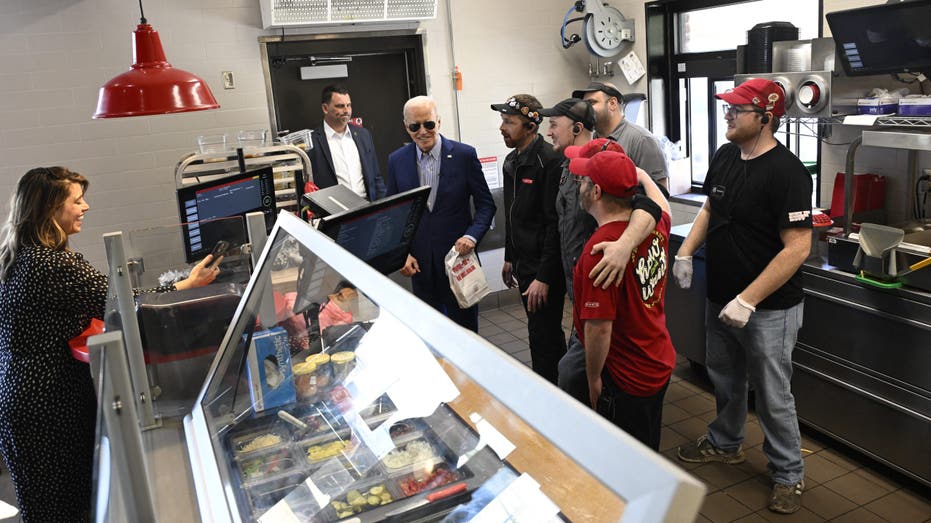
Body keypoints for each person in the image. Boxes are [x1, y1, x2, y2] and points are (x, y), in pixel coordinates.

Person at [0, 167, 220, 521]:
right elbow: (122, 299)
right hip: (49, 402)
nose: (85, 207)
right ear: (50, 209)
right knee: (68, 506)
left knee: (41, 506)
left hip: (17, 397)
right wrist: (187, 285)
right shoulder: (53, 263)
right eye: (77, 200)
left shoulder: (18, 256)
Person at [672, 78, 811, 515]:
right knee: (725, 375)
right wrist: (685, 252)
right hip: (719, 296)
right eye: (728, 108)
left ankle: (788, 473)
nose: (727, 115)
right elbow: (710, 209)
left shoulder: (788, 172)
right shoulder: (726, 155)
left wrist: (748, 299)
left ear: (766, 118)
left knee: (772, 392)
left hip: (769, 307)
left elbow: (798, 247)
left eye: (737, 110)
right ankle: (725, 442)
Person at [540, 98, 660, 404]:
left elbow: (652, 205)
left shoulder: (604, 246)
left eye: (554, 125)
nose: (549, 132)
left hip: (600, 290)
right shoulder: (568, 168)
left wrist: (624, 245)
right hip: (579, 290)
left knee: (575, 372)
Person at [567, 148, 674, 451]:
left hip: (626, 374)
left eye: (583, 180)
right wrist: (638, 175)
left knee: (626, 458)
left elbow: (599, 327)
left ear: (596, 191)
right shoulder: (654, 228)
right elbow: (662, 206)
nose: (579, 185)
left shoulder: (600, 252)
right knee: (648, 445)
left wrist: (592, 377)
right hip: (657, 357)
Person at [386, 96, 495, 332]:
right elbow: (393, 214)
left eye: (429, 124)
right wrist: (401, 254)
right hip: (421, 268)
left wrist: (472, 237)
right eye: (415, 126)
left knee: (466, 334)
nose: (422, 132)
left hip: (459, 262)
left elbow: (486, 205)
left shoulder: (464, 156)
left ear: (439, 121)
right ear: (406, 127)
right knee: (431, 334)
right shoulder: (397, 161)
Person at [490, 94, 565, 384]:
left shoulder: (550, 161)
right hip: (523, 263)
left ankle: (554, 397)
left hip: (543, 269)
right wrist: (510, 256)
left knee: (545, 334)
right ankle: (552, 387)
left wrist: (544, 277)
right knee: (538, 332)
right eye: (502, 120)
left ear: (531, 126)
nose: (502, 127)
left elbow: (553, 223)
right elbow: (512, 214)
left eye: (509, 122)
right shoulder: (512, 161)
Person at [572, 81, 669, 191]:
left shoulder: (642, 140)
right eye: (585, 105)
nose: (586, 110)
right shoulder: (592, 142)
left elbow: (660, 194)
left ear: (612, 104)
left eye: (591, 103)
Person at [309, 85, 386, 201]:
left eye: (348, 105)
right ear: (325, 108)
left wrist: (382, 206)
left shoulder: (363, 135)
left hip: (366, 207)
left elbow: (375, 176)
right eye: (340, 106)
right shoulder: (312, 141)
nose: (346, 111)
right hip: (333, 212)